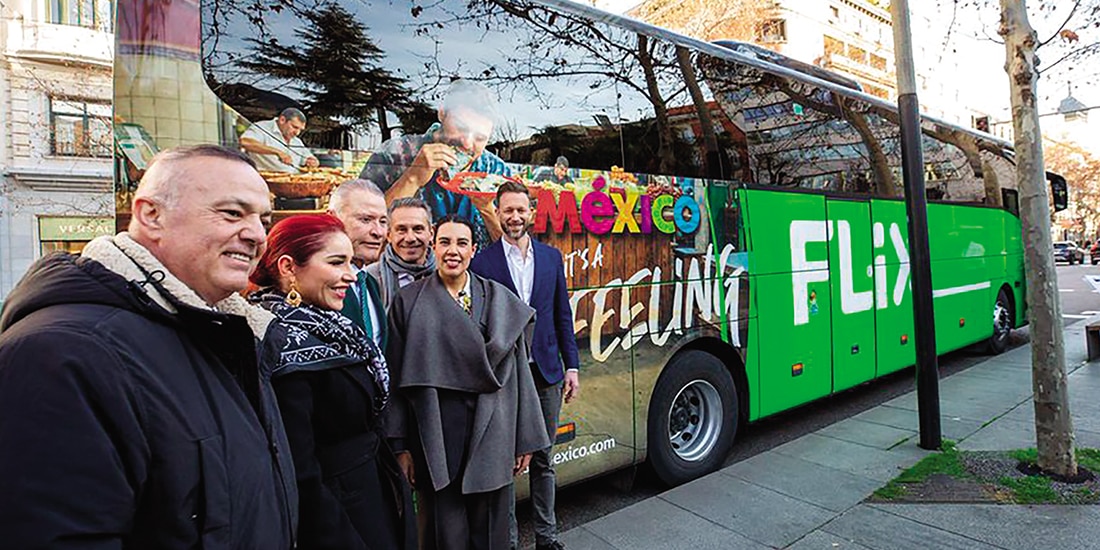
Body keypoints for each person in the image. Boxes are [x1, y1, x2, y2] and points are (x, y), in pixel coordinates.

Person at [0, 145, 297, 548]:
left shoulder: (221, 332)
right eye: (232, 213)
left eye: (263, 219)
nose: (257, 235)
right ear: (150, 215)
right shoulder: (61, 353)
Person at [250, 214, 416, 550]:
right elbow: (300, 473)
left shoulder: (328, 327)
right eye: (336, 262)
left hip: (370, 499)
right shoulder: (280, 345)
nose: (351, 276)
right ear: (288, 268)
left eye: (351, 262)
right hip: (342, 522)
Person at [386, 215, 550, 550]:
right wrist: (401, 446)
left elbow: (520, 374)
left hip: (493, 426)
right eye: (445, 242)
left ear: (473, 250)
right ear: (434, 246)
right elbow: (397, 380)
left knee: (491, 529)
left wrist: (526, 439)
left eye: (461, 243)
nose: (453, 251)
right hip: (435, 430)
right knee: (442, 530)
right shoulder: (408, 302)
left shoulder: (499, 299)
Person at [470, 182, 581, 550]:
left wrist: (572, 367)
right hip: (504, 377)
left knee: (544, 458)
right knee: (504, 462)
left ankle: (547, 538)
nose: (514, 217)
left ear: (531, 213)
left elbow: (562, 315)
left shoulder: (551, 257)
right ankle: (510, 542)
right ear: (497, 213)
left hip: (546, 372)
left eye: (521, 210)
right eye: (507, 211)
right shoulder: (482, 263)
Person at [360, 79, 507, 249]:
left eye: (480, 138)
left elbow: (516, 258)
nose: (467, 143)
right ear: (442, 113)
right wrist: (412, 178)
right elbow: (362, 230)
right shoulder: (394, 154)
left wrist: (487, 209)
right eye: (461, 127)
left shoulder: (498, 172)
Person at [329, 178, 388, 348]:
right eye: (365, 219)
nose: (378, 232)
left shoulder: (370, 283)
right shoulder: (318, 285)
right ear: (332, 218)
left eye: (383, 222)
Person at [366, 197, 438, 308]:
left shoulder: (445, 274)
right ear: (389, 235)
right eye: (401, 230)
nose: (410, 238)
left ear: (431, 233)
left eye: (418, 229)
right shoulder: (370, 278)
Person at [241, 107, 320, 173]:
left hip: (294, 181)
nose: (297, 133)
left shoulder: (297, 141)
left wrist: (312, 161)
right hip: (265, 182)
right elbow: (245, 142)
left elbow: (307, 157)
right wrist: (278, 152)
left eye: (300, 130)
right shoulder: (262, 127)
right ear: (282, 120)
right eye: (295, 127)